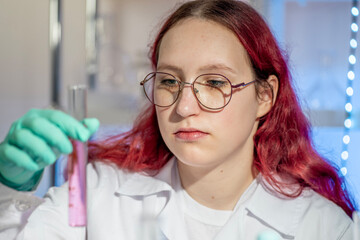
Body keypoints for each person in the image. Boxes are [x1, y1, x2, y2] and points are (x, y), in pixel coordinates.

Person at [0, 0, 357, 239]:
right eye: (170, 80)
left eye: (215, 82)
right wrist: (7, 186)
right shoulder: (99, 190)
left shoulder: (322, 227)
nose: (184, 107)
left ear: (265, 95)